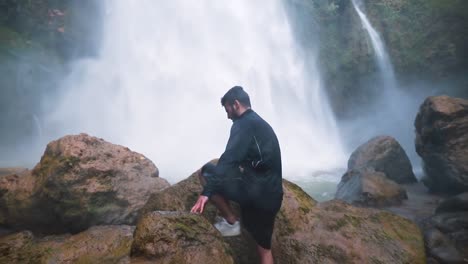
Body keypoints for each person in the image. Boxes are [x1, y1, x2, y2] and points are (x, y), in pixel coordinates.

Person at [191, 86, 283, 264]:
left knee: (206, 171)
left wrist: (205, 194)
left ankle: (231, 221)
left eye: (227, 110)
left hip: (254, 196)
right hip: (273, 196)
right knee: (264, 250)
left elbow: (228, 160)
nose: (227, 116)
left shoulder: (243, 125)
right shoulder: (260, 123)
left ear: (236, 104)